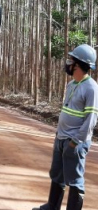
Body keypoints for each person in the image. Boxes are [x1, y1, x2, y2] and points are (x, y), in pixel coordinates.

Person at [33, 44, 98, 210]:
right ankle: (52, 206)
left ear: (79, 65)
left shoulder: (91, 88)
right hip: (61, 138)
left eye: (72, 60)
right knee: (57, 175)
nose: (68, 63)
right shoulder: (71, 85)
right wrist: (59, 136)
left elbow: (90, 119)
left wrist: (75, 142)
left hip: (75, 142)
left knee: (75, 180)